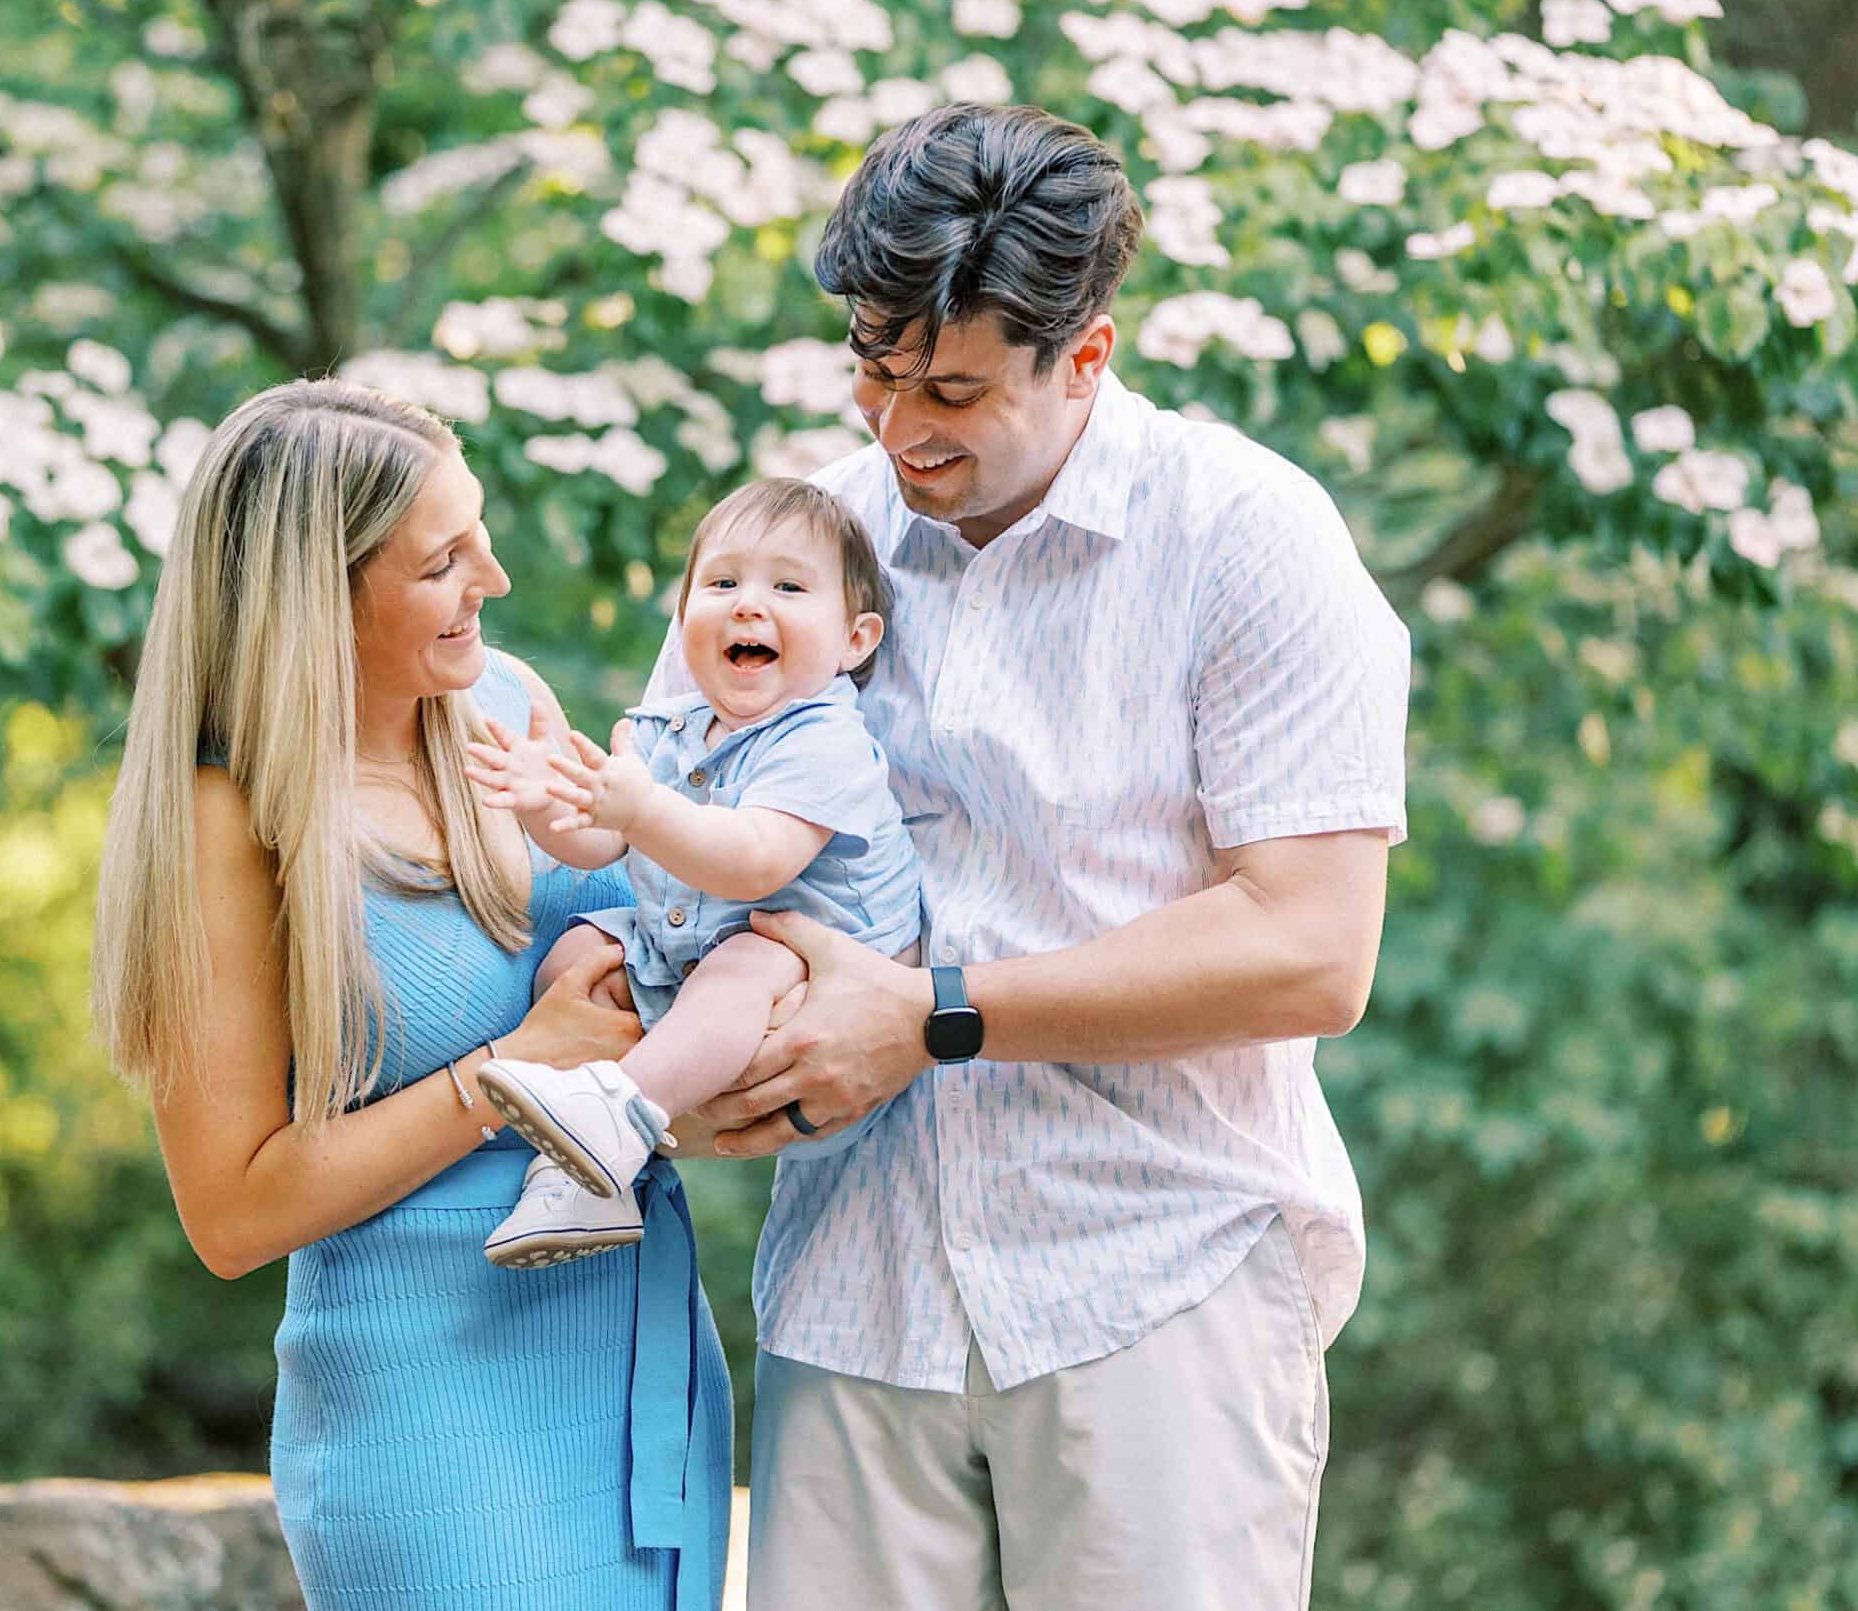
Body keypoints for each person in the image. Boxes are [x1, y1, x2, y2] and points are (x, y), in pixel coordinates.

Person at [681, 103, 1412, 1608]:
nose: (898, 428)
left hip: (1157, 1277)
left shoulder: (1250, 536)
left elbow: (1312, 949)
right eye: (874, 372)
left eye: (952, 387)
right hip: (850, 1289)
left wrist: (936, 1011)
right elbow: (680, 821)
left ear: (1085, 354)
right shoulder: (799, 545)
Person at [91, 378, 731, 1610]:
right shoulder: (225, 817)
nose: (490, 577)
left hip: (634, 1345)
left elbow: (641, 935)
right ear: (318, 596)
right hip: (430, 1399)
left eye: (476, 532)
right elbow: (229, 1214)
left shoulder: (503, 704)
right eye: (444, 559)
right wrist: (509, 1076)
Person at [461, 478, 923, 1268]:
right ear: (683, 622)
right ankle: (587, 1175)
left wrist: (639, 810)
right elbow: (599, 848)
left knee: (749, 961)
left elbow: (754, 863)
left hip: (815, 970)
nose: (748, 604)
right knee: (577, 954)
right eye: (722, 582)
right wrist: (546, 806)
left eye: (787, 585)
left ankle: (620, 1116)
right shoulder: (664, 731)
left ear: (855, 638)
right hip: (693, 954)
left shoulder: (825, 740)